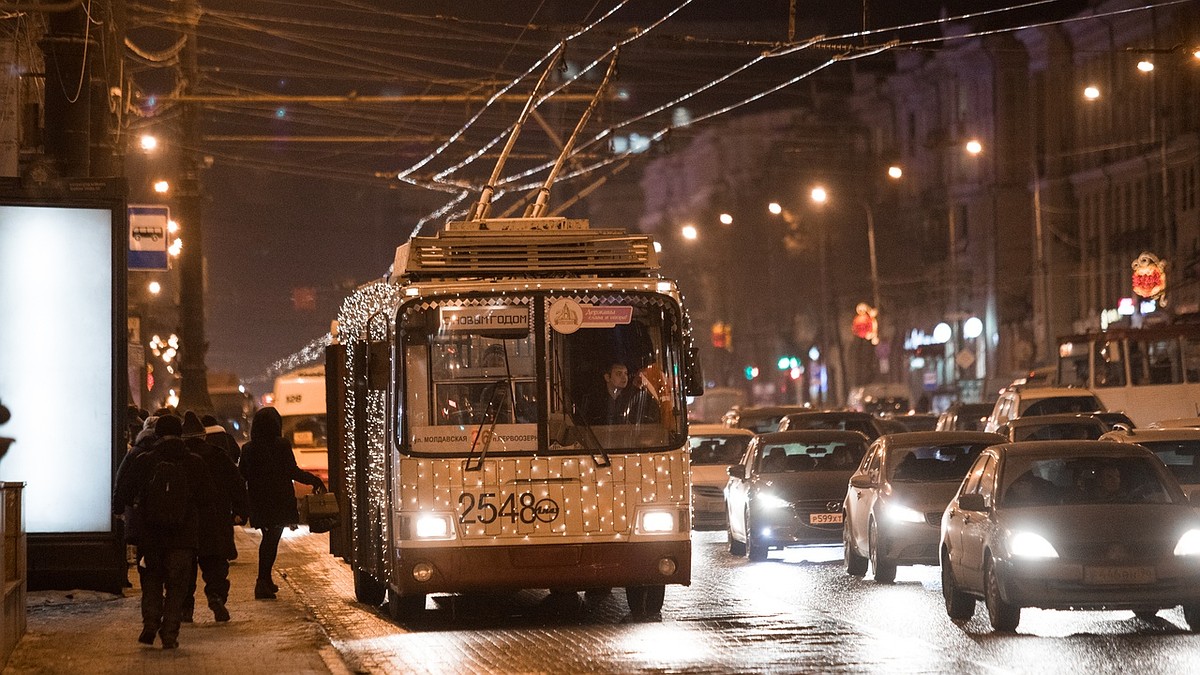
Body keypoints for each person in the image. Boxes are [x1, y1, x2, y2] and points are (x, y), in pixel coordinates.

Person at [112, 414, 214, 649]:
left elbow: (124, 492)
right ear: (180, 433)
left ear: (157, 434)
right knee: (177, 587)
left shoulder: (145, 460)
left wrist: (123, 509)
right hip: (183, 538)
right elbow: (208, 498)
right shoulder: (194, 462)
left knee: (152, 581)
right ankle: (169, 632)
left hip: (151, 537)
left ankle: (150, 622)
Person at [239, 407, 326, 600]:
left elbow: (241, 475)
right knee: (271, 541)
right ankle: (262, 582)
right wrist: (314, 480)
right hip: (279, 500)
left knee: (268, 538)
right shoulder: (282, 445)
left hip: (259, 501)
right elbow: (292, 471)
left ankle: (265, 580)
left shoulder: (248, 448)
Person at [181, 411, 249, 623]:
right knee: (216, 563)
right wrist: (241, 511)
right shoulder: (218, 455)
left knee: (186, 567)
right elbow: (237, 484)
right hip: (215, 518)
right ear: (203, 436)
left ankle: (185, 607)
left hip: (185, 523)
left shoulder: (179, 458)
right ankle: (216, 596)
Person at [582, 361, 660, 425]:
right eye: (619, 374)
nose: (624, 377)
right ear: (607, 377)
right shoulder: (594, 400)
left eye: (625, 373)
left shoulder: (635, 398)